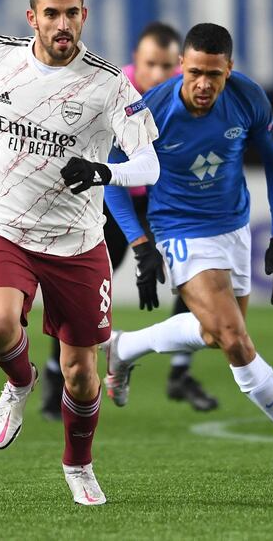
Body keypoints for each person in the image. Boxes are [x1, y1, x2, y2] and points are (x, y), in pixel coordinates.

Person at [0, 0, 160, 505]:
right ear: (33, 18)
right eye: (52, 13)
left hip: (76, 242)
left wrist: (103, 172)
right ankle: (19, 383)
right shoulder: (0, 57)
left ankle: (79, 466)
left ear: (84, 16)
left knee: (80, 376)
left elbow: (149, 165)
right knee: (1, 328)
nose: (63, 23)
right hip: (5, 226)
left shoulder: (110, 84)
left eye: (72, 12)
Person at [103, 23, 273, 481]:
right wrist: (141, 243)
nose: (204, 84)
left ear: (230, 69)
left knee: (216, 335)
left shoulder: (249, 98)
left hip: (233, 227)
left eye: (214, 74)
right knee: (234, 339)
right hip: (179, 228)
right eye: (194, 73)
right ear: (182, 67)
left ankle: (124, 347)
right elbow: (113, 175)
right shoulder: (152, 109)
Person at [39, 22, 218, 420]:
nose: (158, 74)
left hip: (156, 203)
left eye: (168, 66)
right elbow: (114, 175)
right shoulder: (115, 91)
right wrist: (140, 245)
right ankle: (56, 378)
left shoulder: (181, 97)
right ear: (135, 62)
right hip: (106, 200)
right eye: (151, 64)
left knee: (196, 272)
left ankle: (180, 372)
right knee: (81, 294)